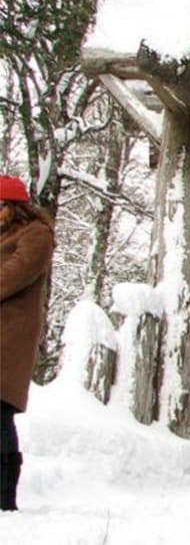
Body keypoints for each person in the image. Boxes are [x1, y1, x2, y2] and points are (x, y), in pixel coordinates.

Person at [0, 175, 55, 511]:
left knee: (0, 410)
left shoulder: (36, 234)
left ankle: (5, 498)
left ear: (12, 207)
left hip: (10, 334)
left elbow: (16, 272)